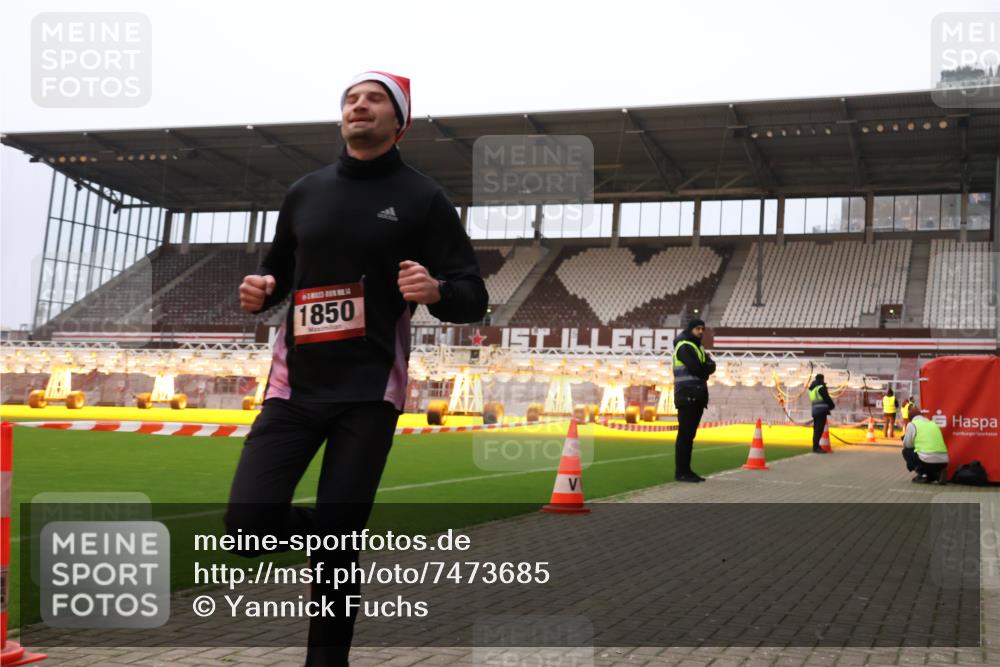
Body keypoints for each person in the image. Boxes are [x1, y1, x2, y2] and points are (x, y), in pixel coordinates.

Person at [225, 71, 488, 666]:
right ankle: (336, 528)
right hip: (294, 386)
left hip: (370, 391)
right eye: (351, 98)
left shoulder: (423, 199)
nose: (359, 106)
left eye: (374, 100)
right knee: (247, 524)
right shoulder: (305, 192)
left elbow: (473, 293)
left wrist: (437, 288)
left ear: (399, 122)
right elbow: (278, 275)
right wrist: (261, 290)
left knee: (337, 555)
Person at [672, 318, 716, 482]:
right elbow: (699, 368)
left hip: (696, 396)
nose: (700, 332)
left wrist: (705, 368)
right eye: (697, 328)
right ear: (690, 329)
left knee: (689, 436)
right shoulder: (684, 346)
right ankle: (681, 472)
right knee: (685, 436)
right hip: (687, 396)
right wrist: (706, 369)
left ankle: (686, 470)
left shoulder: (698, 347)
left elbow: (711, 365)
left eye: (702, 329)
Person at [901, 406, 948, 483]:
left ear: (910, 418)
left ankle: (922, 475)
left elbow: (907, 444)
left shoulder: (912, 424)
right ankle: (937, 474)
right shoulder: (932, 423)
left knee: (906, 451)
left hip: (927, 461)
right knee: (927, 459)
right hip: (943, 461)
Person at [807, 373, 836, 453]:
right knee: (819, 430)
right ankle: (816, 448)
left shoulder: (811, 388)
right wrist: (832, 405)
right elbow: (826, 398)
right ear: (822, 379)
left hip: (815, 410)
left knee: (816, 429)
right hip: (822, 410)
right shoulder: (821, 387)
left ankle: (815, 446)